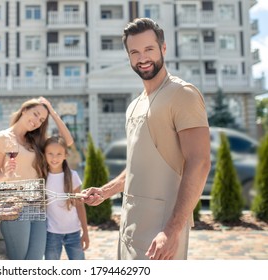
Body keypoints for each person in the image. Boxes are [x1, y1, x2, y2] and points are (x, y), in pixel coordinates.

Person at [82, 18, 211, 260]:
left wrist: (171, 230)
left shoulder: (183, 95)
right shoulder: (134, 105)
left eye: (149, 49)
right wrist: (105, 191)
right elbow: (136, 166)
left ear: (163, 48)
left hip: (160, 231)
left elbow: (200, 162)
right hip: (129, 224)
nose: (142, 57)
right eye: (135, 52)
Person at [0, 97, 73, 260]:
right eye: (35, 114)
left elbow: (67, 141)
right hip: (15, 206)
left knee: (35, 259)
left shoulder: (36, 140)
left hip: (37, 205)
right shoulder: (3, 138)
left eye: (41, 119)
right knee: (19, 260)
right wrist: (5, 174)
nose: (37, 121)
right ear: (24, 110)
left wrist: (52, 112)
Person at [43, 136, 89, 260]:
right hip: (51, 233)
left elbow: (80, 205)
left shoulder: (73, 176)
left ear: (65, 155)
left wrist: (85, 231)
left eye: (59, 154)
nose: (54, 158)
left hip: (73, 232)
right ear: (44, 154)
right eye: (50, 153)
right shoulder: (42, 177)